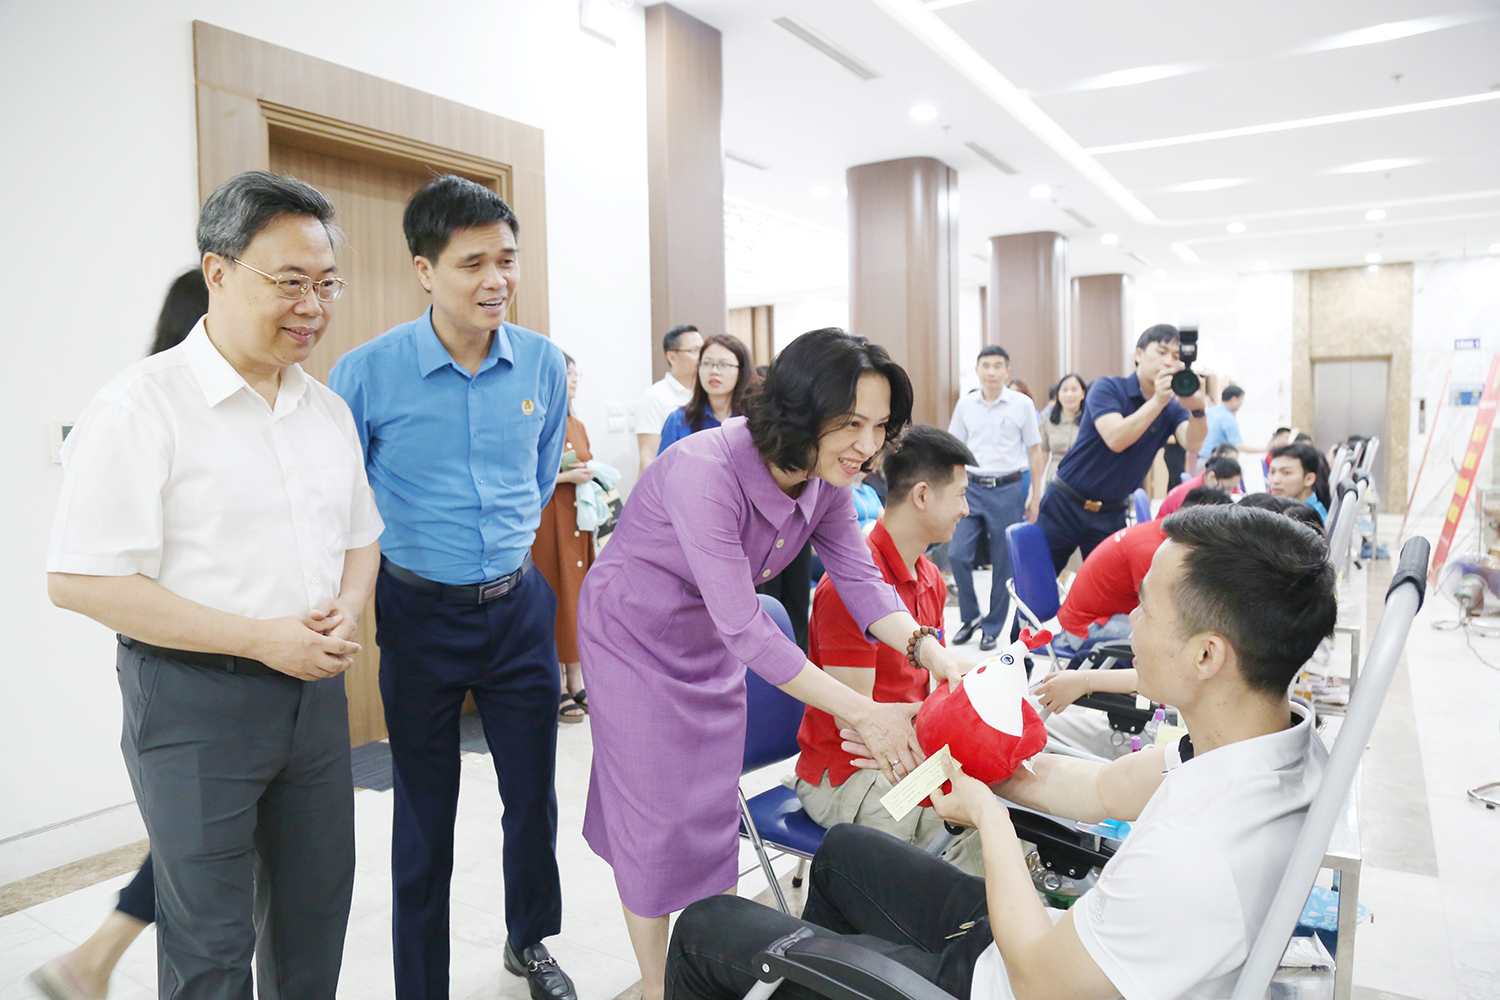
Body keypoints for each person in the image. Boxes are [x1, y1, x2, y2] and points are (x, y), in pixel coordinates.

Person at [665, 503, 1337, 1000]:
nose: (1128, 619)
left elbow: (1040, 980)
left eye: (1146, 609)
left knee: (706, 925)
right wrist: (959, 749)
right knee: (844, 854)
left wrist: (988, 818)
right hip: (1045, 951)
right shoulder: (1266, 750)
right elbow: (1099, 790)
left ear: (1207, 655)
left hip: (1024, 977)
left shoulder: (1195, 855)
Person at [46, 171, 381, 999]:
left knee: (313, 924)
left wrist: (347, 607)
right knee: (210, 945)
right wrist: (262, 638)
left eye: (326, 283)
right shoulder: (140, 406)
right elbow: (80, 580)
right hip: (193, 702)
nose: (313, 306)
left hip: (313, 701)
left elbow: (361, 539)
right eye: (290, 282)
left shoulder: (326, 411)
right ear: (218, 272)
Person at [577, 328, 974, 1000]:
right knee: (652, 814)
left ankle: (706, 955)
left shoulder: (827, 479)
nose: (868, 445)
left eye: (879, 426)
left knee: (708, 804)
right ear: (800, 409)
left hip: (709, 636)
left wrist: (928, 648)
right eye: (851, 423)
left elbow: (862, 580)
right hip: (634, 637)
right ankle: (656, 986)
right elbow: (746, 626)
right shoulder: (705, 469)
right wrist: (863, 713)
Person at [328, 175, 576, 1000]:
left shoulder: (541, 362)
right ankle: (420, 982)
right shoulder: (366, 373)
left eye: (507, 259)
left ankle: (529, 941)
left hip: (517, 607)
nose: (496, 280)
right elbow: (341, 498)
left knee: (532, 797)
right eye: (473, 263)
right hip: (418, 612)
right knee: (424, 812)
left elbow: (538, 479)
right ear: (424, 270)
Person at [31, 268, 211, 1000]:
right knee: (202, 840)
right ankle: (90, 960)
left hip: (211, 663)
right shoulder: (142, 411)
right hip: (191, 664)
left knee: (209, 837)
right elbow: (80, 578)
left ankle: (93, 960)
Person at [795, 425, 984, 873]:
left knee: (992, 802)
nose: (966, 509)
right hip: (849, 772)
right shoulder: (846, 588)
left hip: (905, 753)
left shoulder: (930, 577)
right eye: (960, 495)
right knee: (966, 839)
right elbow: (855, 722)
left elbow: (934, 680)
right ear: (922, 496)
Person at [1036, 324, 1209, 572]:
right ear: (1139, 354)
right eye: (1161, 352)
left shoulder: (1172, 407)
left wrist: (1198, 409)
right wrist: (1158, 401)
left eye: (1175, 356)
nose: (1169, 362)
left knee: (1109, 587)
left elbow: (1192, 442)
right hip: (1065, 502)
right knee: (1037, 582)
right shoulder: (1108, 388)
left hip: (1111, 512)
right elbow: (1115, 439)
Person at [946, 346, 1045, 650]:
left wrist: (1036, 494)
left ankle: (992, 627)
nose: (991, 371)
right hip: (972, 487)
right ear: (977, 370)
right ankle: (971, 616)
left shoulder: (1022, 404)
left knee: (1003, 564)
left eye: (997, 366)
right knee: (957, 553)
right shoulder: (965, 405)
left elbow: (1035, 451)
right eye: (985, 365)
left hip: (1007, 489)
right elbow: (953, 449)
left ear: (1007, 371)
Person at [532, 352, 595, 723]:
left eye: (574, 373)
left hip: (577, 520)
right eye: (565, 373)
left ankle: (576, 678)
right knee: (553, 596)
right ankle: (555, 685)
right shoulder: (537, 422)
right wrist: (566, 477)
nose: (572, 379)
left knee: (578, 598)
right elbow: (525, 475)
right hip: (546, 520)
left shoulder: (577, 423)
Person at [657, 333, 754, 453]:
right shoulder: (679, 420)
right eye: (707, 363)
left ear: (741, 370)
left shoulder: (754, 419)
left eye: (724, 364)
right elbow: (665, 464)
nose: (714, 371)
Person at [636, 324, 703, 472]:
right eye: (694, 351)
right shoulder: (654, 397)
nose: (702, 357)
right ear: (672, 357)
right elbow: (648, 456)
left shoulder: (707, 394)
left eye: (703, 350)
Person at [1038, 373, 1086, 486]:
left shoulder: (1091, 422)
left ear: (1083, 394)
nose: (1069, 394)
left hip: (1083, 480)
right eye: (1064, 390)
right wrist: (1034, 487)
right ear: (1058, 395)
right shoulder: (1048, 421)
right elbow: (1042, 456)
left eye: (1074, 390)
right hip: (1055, 481)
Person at [1156, 455, 1241, 518]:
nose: (1229, 493)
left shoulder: (1204, 482)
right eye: (1227, 488)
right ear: (1211, 477)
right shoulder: (1191, 496)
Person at [1267, 442, 1330, 522]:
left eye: (1286, 472)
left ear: (1309, 479)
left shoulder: (1312, 519)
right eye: (1272, 472)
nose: (1275, 480)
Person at [1198, 384, 1245, 459]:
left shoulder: (1211, 411)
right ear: (1234, 399)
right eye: (1241, 400)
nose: (1241, 404)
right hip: (1215, 461)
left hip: (1201, 457)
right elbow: (1238, 445)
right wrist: (1263, 449)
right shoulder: (1228, 418)